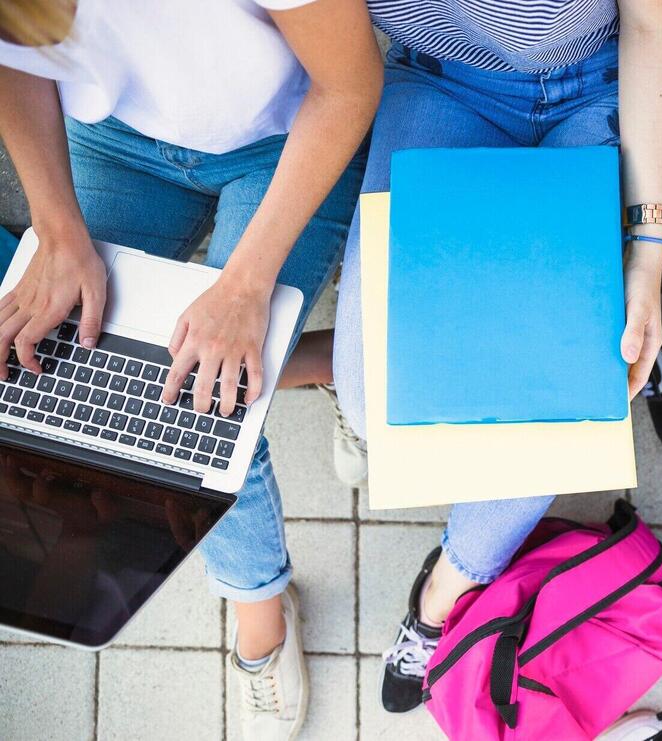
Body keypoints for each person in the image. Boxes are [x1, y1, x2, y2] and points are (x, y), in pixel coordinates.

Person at [0, 1, 380, 738]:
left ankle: (260, 613)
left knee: (206, 407)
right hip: (115, 139)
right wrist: (56, 228)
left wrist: (242, 287)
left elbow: (352, 85)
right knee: (54, 375)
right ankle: (337, 363)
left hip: (283, 137)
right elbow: (12, 55)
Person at [329, 0, 662, 715]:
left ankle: (447, 588)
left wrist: (649, 255)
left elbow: (655, 25)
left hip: (607, 82)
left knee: (562, 386)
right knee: (370, 391)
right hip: (435, 84)